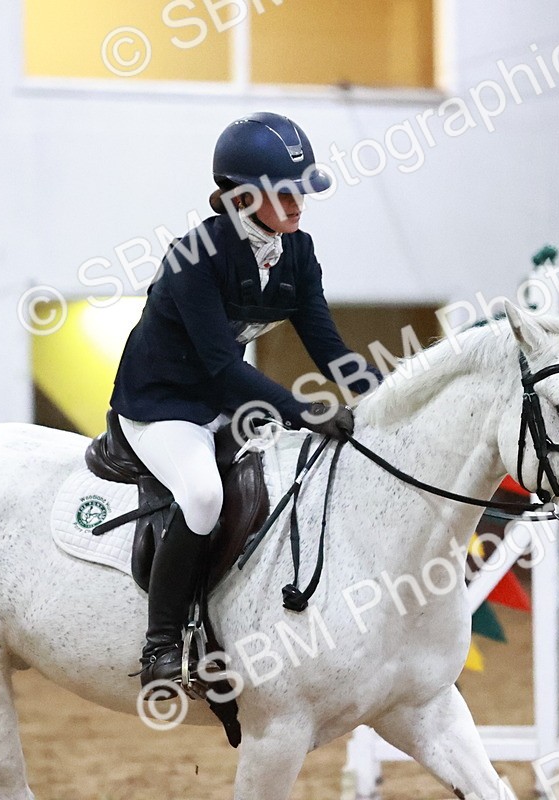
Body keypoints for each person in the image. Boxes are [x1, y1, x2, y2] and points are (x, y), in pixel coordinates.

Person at [109, 111, 382, 687]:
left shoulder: (298, 253)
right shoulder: (195, 256)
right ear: (241, 197)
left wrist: (384, 399)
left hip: (223, 402)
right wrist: (305, 412)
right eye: (286, 193)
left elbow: (326, 344)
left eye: (302, 192)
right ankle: (160, 644)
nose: (299, 205)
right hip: (162, 405)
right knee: (204, 496)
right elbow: (222, 368)